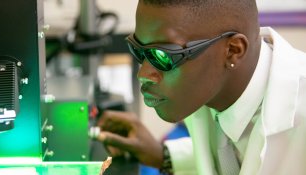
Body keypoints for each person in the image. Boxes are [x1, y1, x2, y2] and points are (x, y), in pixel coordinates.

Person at [95, 0, 306, 174]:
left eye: (163, 55)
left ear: (233, 50)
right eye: (138, 50)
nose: (143, 75)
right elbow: (238, 148)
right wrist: (163, 155)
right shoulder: (212, 90)